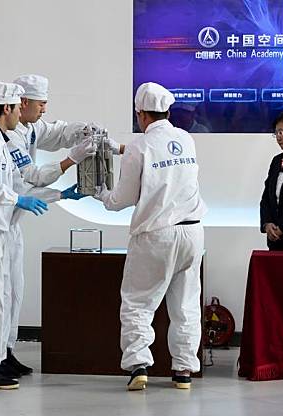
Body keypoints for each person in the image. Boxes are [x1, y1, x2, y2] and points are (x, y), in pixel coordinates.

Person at [0, 81, 82, 390]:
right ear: (8, 108)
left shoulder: (1, 138)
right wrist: (16, 199)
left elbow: (20, 184)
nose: (22, 112)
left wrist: (59, 195)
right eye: (18, 108)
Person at [94, 82, 207, 391]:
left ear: (140, 114)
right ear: (167, 111)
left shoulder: (139, 146)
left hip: (157, 235)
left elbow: (122, 199)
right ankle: (184, 371)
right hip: (192, 232)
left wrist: (99, 192)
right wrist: (123, 149)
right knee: (185, 304)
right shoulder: (185, 139)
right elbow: (164, 166)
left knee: (138, 303)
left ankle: (138, 367)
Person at [0, 74, 112, 377]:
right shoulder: (7, 138)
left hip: (11, 225)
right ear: (23, 103)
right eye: (42, 103)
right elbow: (32, 178)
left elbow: (58, 132)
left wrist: (84, 131)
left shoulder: (29, 128)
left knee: (14, 291)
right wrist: (70, 161)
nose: (44, 109)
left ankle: (6, 351)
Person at [260, 111, 283, 250]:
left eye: (282, 132)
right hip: (276, 239)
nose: (278, 137)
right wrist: (267, 224)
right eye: (276, 133)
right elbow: (266, 198)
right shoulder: (276, 161)